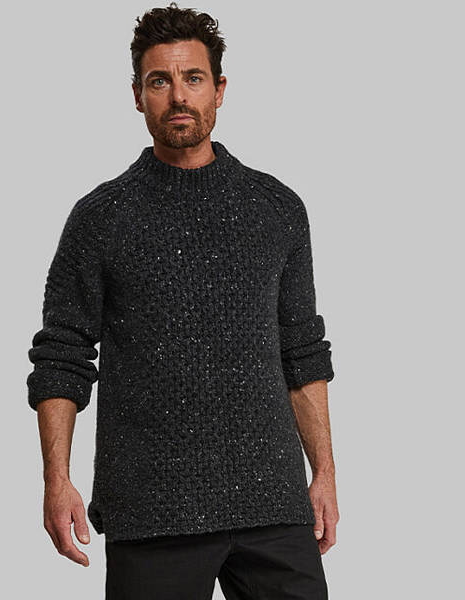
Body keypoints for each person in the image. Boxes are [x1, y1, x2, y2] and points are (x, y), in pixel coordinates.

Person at [26, 3, 339, 598]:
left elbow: (301, 350)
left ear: (219, 90)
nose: (178, 96)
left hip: (272, 504)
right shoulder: (101, 218)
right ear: (137, 96)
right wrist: (56, 480)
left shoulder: (276, 208)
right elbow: (62, 355)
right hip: (151, 510)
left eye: (193, 78)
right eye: (159, 81)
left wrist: (323, 473)